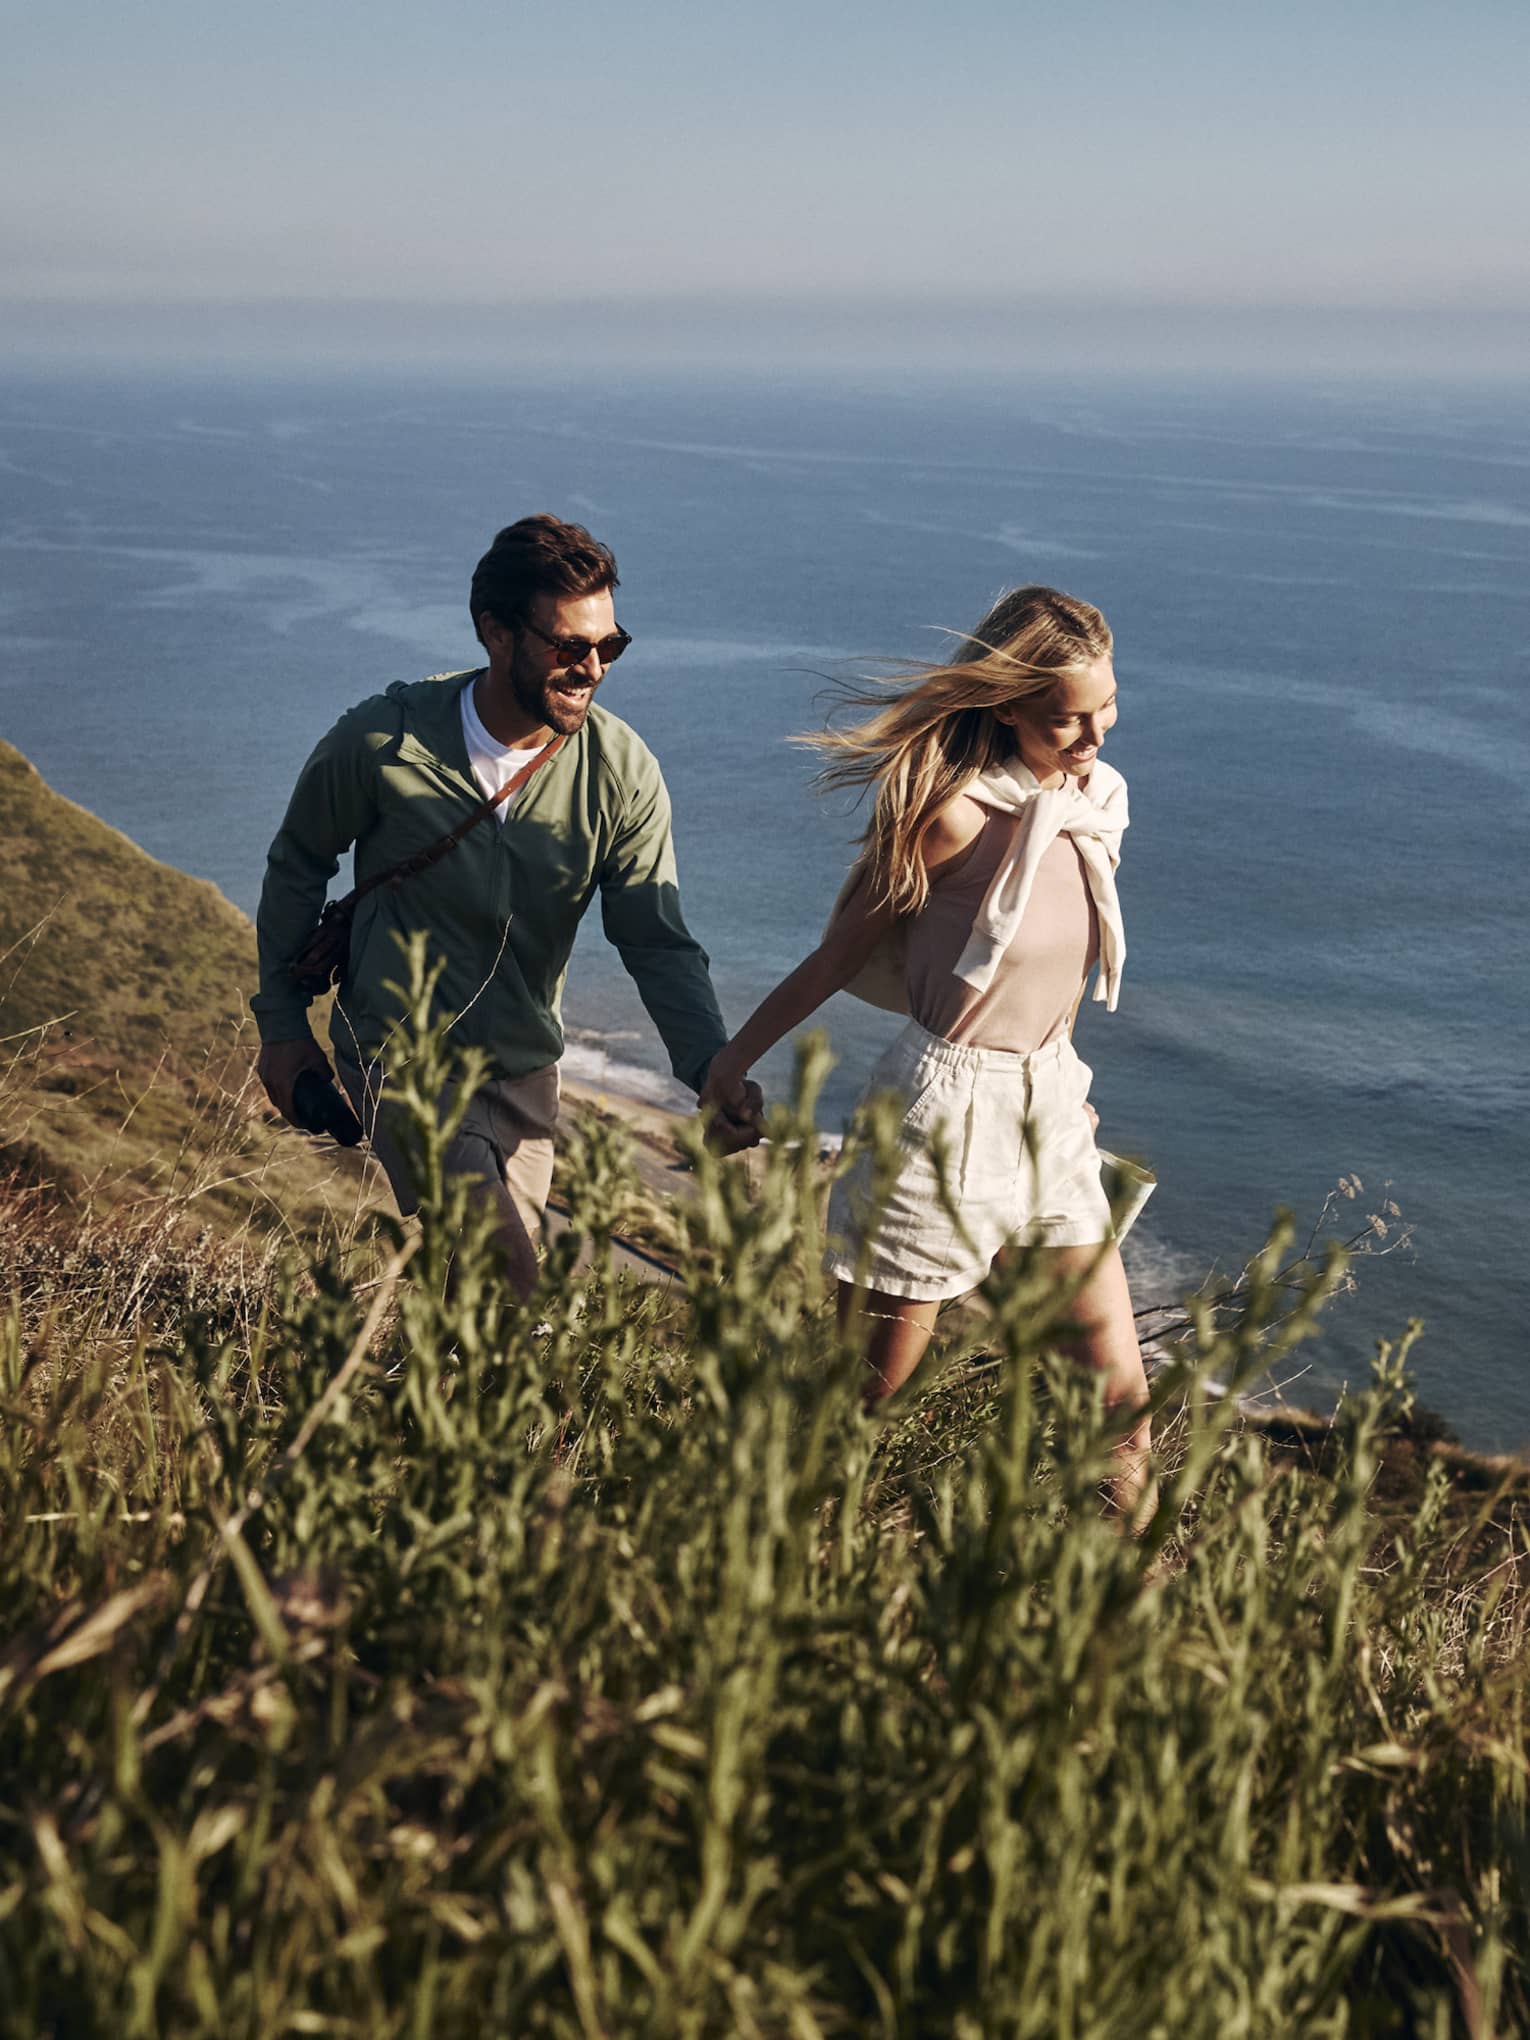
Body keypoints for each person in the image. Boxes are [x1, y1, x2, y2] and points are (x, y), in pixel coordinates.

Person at [704, 585, 1152, 1517]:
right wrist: (732, 1060)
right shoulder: (948, 815)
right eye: (1065, 719)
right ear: (1006, 705)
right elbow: (838, 954)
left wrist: (1058, 1085)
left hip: (1051, 1109)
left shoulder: (1094, 803)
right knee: (868, 1411)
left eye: (1104, 708)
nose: (1092, 736)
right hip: (942, 1112)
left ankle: (1119, 1634)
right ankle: (788, 1579)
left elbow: (1055, 972)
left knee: (1120, 1411)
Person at [253, 513, 761, 1296]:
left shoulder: (620, 769)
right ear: (495, 633)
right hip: (403, 1058)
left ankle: (405, 1410)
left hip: (525, 1071)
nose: (592, 668)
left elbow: (654, 940)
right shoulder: (383, 742)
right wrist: (284, 1033)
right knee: (510, 1275)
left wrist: (709, 1067)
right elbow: (298, 866)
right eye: (569, 647)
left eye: (609, 647)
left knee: (486, 1316)